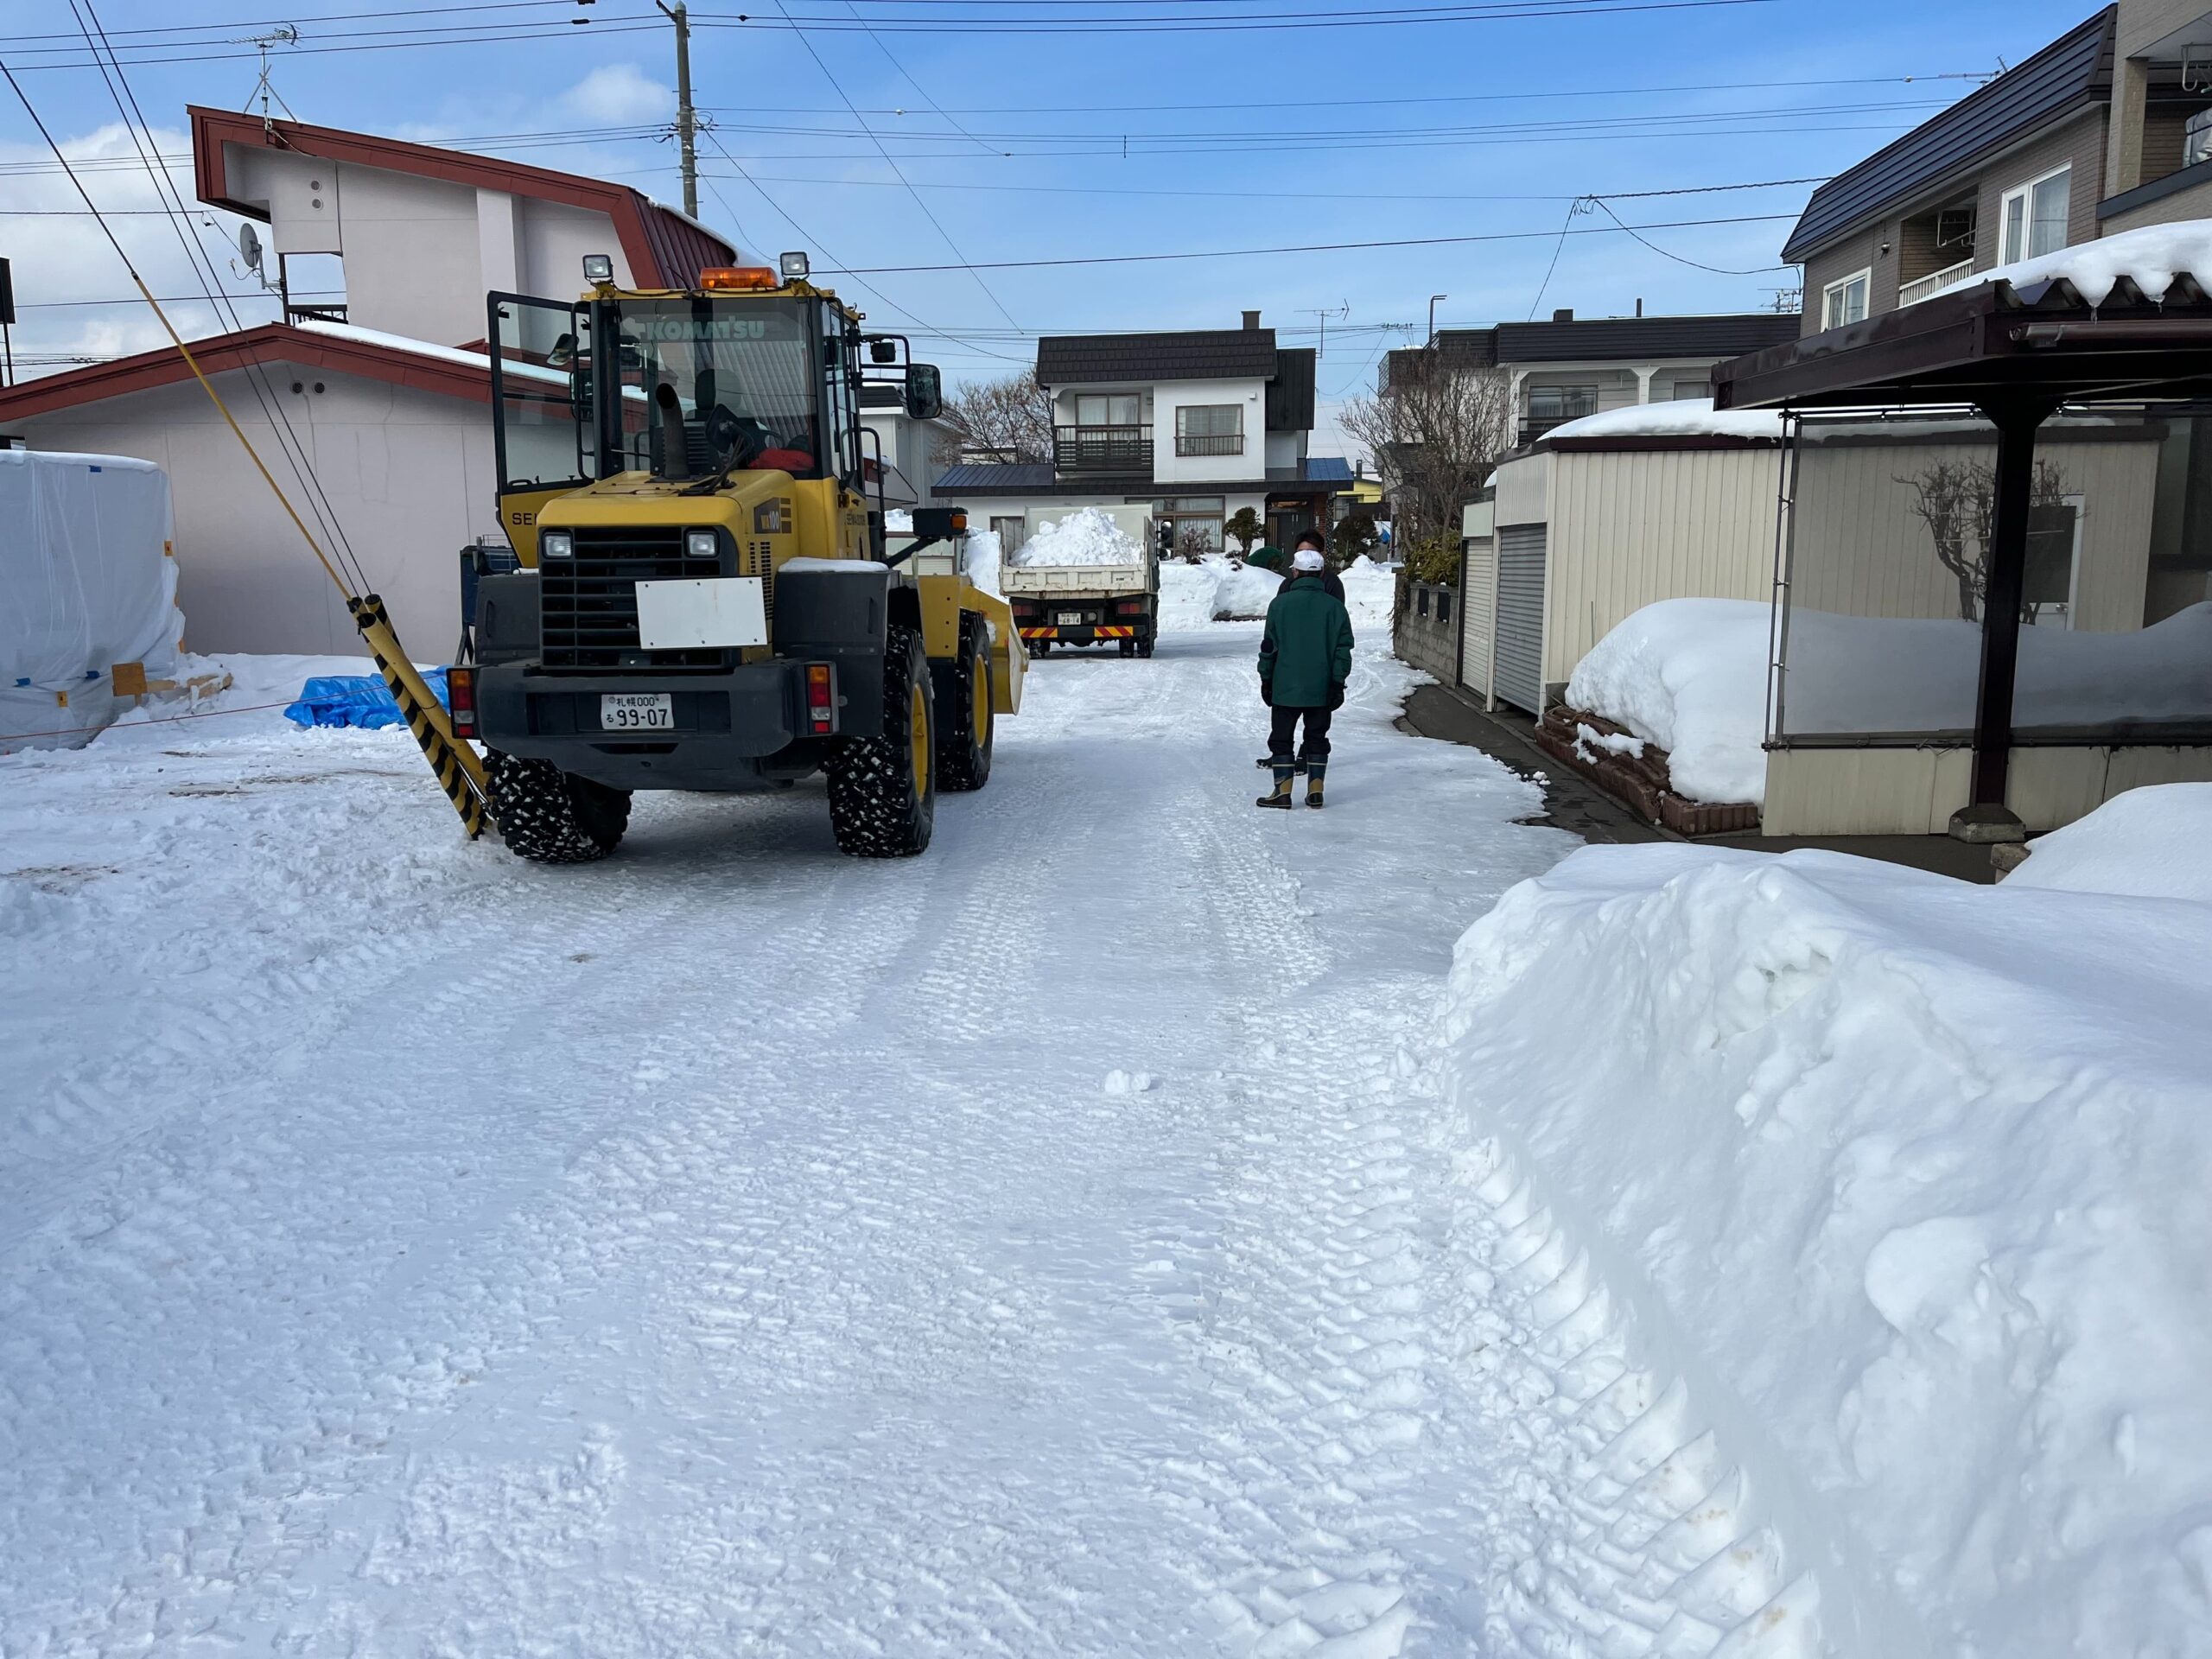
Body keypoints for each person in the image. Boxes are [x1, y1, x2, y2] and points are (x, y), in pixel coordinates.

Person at [1255, 546, 1353, 810]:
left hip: (1285, 687)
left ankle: (1282, 793)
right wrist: (1337, 682)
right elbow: (1343, 650)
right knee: (1317, 738)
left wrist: (1266, 679)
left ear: (1296, 573)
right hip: (1322, 688)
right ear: (1321, 574)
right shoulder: (1335, 608)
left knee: (1281, 739)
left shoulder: (1279, 605)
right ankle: (1316, 791)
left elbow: (1269, 648)